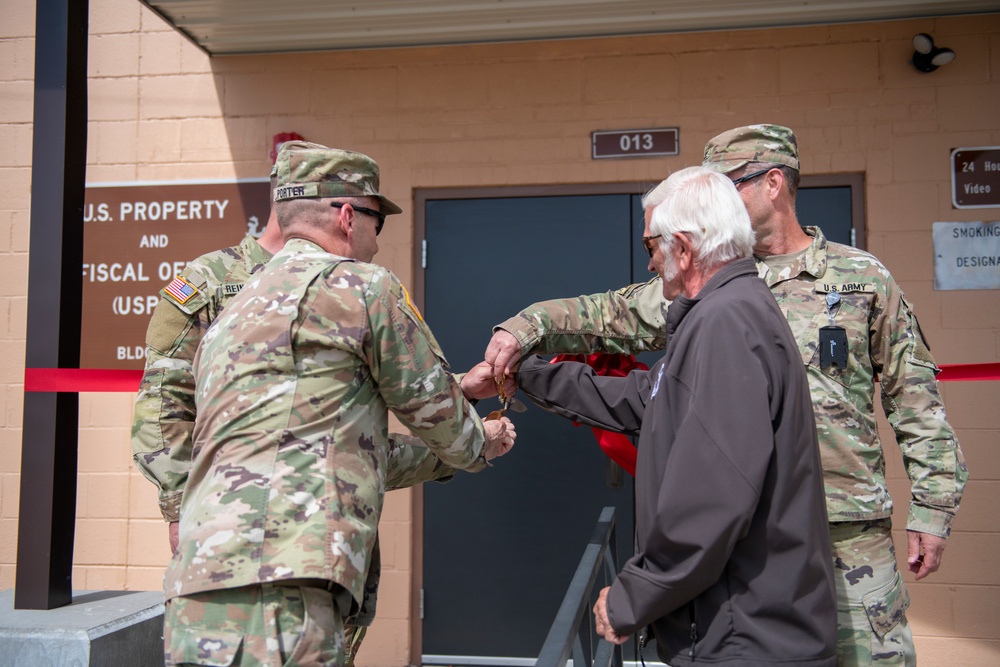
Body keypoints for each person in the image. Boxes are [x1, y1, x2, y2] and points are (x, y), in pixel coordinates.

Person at [486, 124, 969, 666]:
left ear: (773, 183)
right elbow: (610, 315)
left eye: (728, 183)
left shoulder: (859, 279)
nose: (715, 197)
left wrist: (932, 507)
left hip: (847, 528)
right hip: (755, 542)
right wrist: (524, 330)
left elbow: (915, 397)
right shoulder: (714, 280)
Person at [161, 141, 515, 666]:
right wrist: (480, 441)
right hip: (284, 583)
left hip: (195, 587)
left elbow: (331, 441)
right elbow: (444, 423)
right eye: (378, 221)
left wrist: (458, 391)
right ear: (349, 216)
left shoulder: (234, 310)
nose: (376, 241)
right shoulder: (364, 288)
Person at [516, 166, 836, 665]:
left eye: (651, 247)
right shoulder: (725, 311)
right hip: (746, 628)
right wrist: (527, 374)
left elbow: (712, 496)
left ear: (683, 249)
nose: (649, 264)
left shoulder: (726, 322)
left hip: (747, 638)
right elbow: (650, 397)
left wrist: (633, 596)